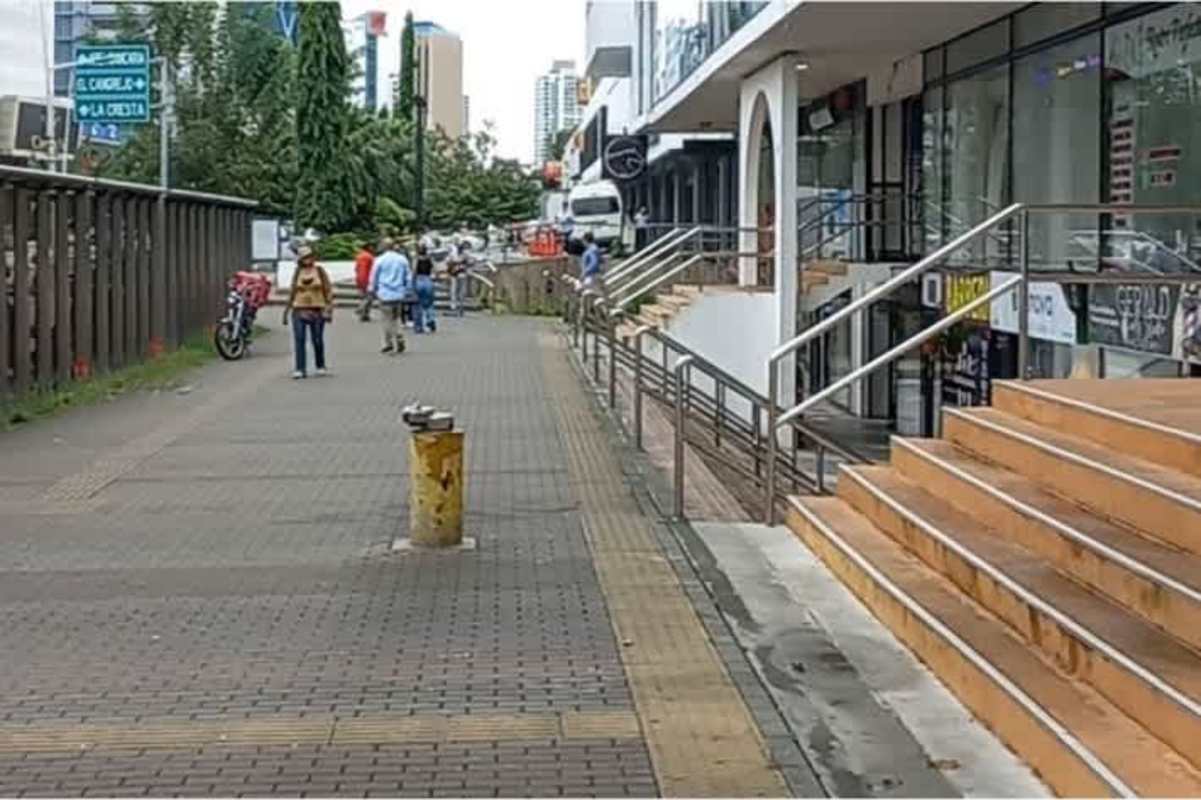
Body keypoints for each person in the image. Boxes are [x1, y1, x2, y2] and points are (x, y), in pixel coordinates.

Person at [283, 246, 333, 379]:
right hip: (299, 308)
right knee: (299, 339)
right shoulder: (297, 272)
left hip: (317, 308)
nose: (308, 259)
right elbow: (292, 290)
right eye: (305, 257)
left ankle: (320, 365)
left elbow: (328, 289)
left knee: (317, 339)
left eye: (310, 256)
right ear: (300, 259)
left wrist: (329, 308)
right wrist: (286, 310)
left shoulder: (319, 271)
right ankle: (300, 368)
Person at [370, 238, 412, 355]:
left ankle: (389, 343)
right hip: (398, 293)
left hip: (384, 293)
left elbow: (374, 277)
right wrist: (407, 289)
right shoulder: (402, 259)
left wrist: (371, 290)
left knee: (386, 319)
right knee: (397, 317)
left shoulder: (379, 260)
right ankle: (400, 336)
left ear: (383, 247)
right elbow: (408, 275)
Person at [413, 242, 437, 334]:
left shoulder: (416, 259)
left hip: (419, 280)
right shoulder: (430, 259)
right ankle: (431, 319)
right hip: (428, 280)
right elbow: (435, 270)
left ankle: (422, 324)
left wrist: (412, 282)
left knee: (419, 303)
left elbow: (414, 270)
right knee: (430, 303)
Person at [354, 242, 375, 322]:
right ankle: (361, 309)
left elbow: (357, 268)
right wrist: (364, 281)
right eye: (371, 246)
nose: (373, 248)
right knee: (369, 297)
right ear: (368, 247)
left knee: (364, 297)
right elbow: (364, 270)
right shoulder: (367, 257)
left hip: (360, 278)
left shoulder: (360, 255)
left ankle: (365, 314)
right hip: (367, 279)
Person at [447, 237, 468, 318]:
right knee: (454, 290)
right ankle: (455, 306)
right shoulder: (453, 254)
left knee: (459, 290)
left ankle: (459, 306)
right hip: (455, 273)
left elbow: (468, 262)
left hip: (460, 273)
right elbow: (449, 261)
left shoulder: (464, 255)